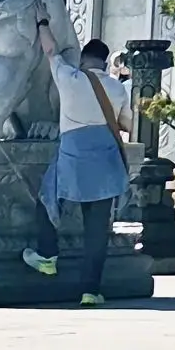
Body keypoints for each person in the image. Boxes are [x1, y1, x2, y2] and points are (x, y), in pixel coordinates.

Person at [22, 20, 132, 305]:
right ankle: (90, 291)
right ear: (106, 63)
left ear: (84, 59)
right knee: (97, 232)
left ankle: (47, 256)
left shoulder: (69, 77)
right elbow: (126, 123)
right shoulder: (117, 89)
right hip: (106, 162)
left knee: (47, 199)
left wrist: (43, 21)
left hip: (73, 156)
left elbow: (49, 49)